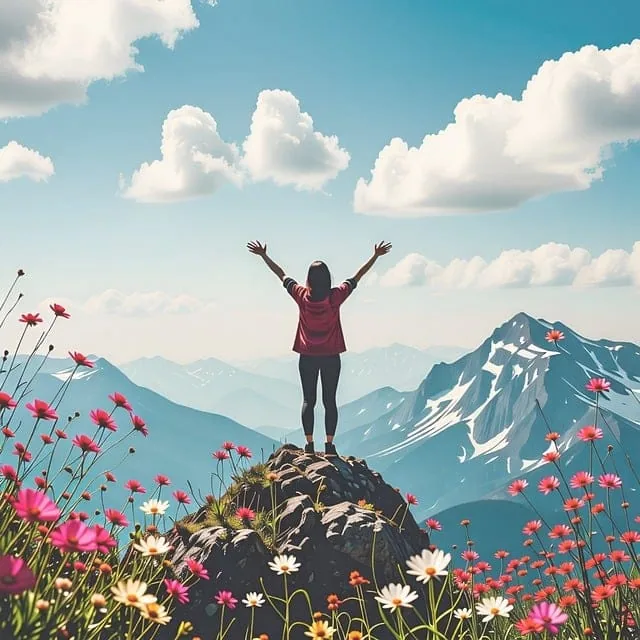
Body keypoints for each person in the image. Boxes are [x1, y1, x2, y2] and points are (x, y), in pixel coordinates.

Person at [247, 240, 392, 456]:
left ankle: (309, 445)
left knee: (308, 400)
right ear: (327, 278)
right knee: (329, 400)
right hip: (331, 356)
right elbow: (356, 278)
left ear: (309, 279)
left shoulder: (302, 296)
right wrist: (376, 256)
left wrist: (264, 256)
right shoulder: (335, 297)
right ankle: (330, 445)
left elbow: (282, 275)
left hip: (307, 356)